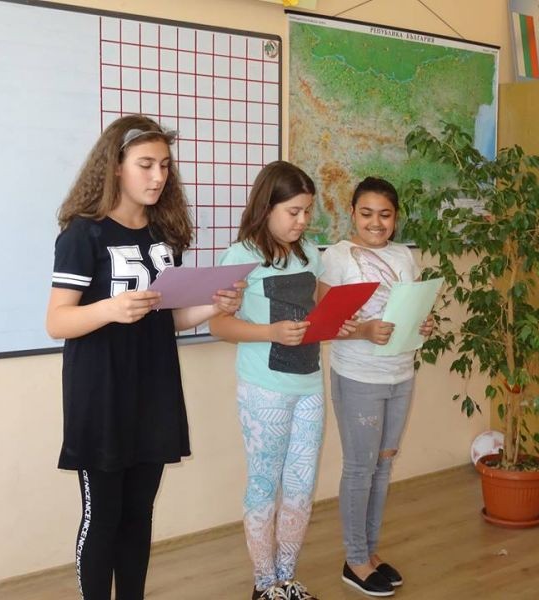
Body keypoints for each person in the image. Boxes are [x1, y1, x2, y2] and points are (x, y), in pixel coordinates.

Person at [46, 114, 243, 600]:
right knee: (103, 516)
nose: (158, 176)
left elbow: (166, 319)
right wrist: (111, 308)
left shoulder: (163, 236)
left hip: (154, 389)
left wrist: (212, 306)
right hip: (101, 394)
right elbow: (57, 322)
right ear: (115, 166)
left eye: (165, 166)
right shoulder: (83, 235)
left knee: (139, 514)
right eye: (146, 164)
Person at [209, 161, 353, 600]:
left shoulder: (310, 253)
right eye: (293, 211)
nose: (303, 220)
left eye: (307, 211)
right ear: (266, 206)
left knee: (300, 488)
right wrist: (270, 332)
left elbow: (319, 311)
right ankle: (264, 584)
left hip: (308, 384)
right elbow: (218, 324)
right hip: (263, 388)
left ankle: (287, 579)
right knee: (264, 485)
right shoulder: (240, 256)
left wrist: (337, 321)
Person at [319, 177, 434, 597]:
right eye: (366, 213)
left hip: (401, 374)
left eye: (385, 215)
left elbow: (410, 309)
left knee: (384, 466)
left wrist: (424, 323)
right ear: (352, 213)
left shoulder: (404, 255)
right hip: (358, 376)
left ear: (396, 217)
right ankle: (354, 559)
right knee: (360, 467)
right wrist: (365, 330)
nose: (375, 222)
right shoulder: (336, 257)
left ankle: (369, 551)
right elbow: (326, 322)